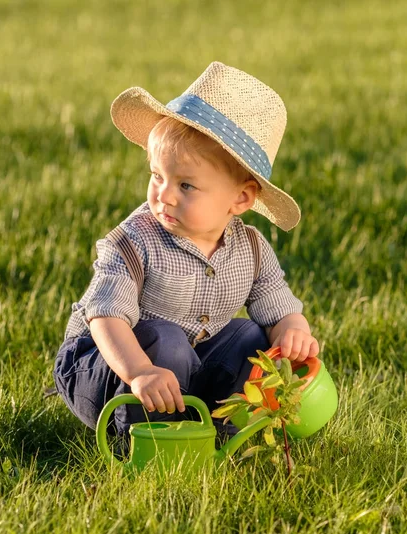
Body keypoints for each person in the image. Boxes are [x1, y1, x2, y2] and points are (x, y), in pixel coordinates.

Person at [53, 61, 320, 435]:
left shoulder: (251, 249)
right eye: (157, 176)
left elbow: (279, 310)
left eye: (186, 186)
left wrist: (293, 333)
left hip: (186, 366)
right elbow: (105, 318)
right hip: (107, 365)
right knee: (168, 341)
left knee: (251, 337)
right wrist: (140, 371)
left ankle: (218, 431)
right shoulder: (135, 241)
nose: (164, 196)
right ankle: (145, 439)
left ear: (241, 198)